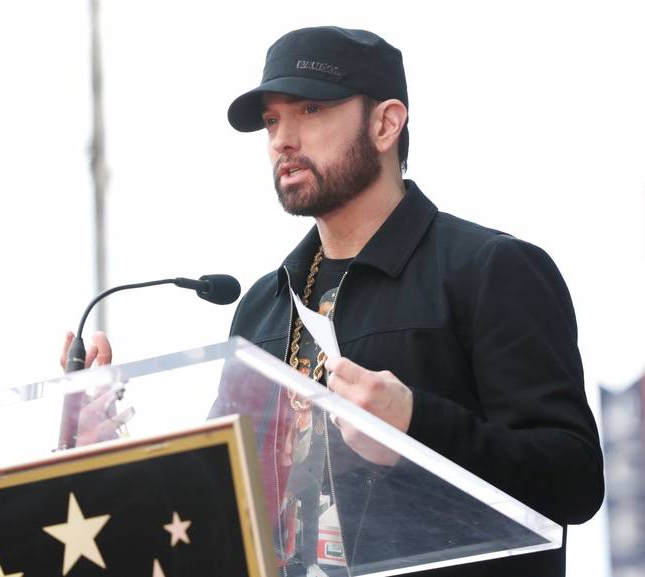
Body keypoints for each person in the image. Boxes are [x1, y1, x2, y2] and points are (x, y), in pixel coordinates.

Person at [63, 26, 604, 577]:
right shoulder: (263, 308)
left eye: (311, 109)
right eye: (273, 121)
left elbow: (574, 480)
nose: (281, 139)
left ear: (386, 123)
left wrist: (415, 424)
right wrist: (105, 456)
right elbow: (219, 507)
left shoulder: (490, 270)